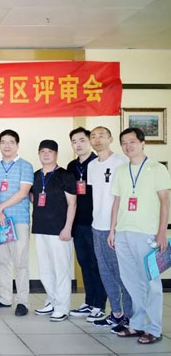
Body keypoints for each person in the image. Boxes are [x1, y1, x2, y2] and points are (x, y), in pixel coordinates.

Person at [109, 127, 170, 344]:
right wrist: (112, 230)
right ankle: (137, 324)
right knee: (131, 281)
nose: (128, 146)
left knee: (150, 282)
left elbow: (165, 202)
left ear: (143, 143)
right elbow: (116, 202)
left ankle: (154, 328)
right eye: (124, 143)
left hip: (147, 234)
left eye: (132, 141)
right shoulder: (121, 170)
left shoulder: (157, 169)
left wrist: (161, 232)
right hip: (123, 233)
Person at [88, 126, 132, 331]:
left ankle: (130, 316)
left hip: (116, 227)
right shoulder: (92, 165)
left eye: (101, 136)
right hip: (97, 225)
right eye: (93, 136)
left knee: (122, 273)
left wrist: (115, 228)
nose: (97, 140)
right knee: (105, 272)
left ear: (110, 139)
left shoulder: (121, 162)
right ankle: (116, 313)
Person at [0, 129, 34, 316]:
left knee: (20, 261)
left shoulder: (25, 166)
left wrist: (1, 207)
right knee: (0, 261)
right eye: (3, 142)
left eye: (11, 142)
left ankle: (23, 301)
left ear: (17, 145)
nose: (7, 146)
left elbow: (23, 192)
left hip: (19, 220)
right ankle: (5, 298)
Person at [31, 140, 76, 322]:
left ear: (56, 154)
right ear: (38, 154)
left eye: (49, 151)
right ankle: (52, 300)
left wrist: (68, 228)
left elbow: (72, 203)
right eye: (42, 151)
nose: (46, 154)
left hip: (60, 230)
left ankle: (62, 307)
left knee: (61, 269)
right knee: (45, 269)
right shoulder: (35, 176)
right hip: (40, 228)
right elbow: (32, 197)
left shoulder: (66, 175)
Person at [66, 127, 107, 322]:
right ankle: (89, 301)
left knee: (98, 264)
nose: (78, 144)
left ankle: (100, 304)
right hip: (78, 222)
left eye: (82, 140)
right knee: (84, 263)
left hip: (96, 222)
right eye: (74, 141)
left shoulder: (98, 163)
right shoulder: (72, 166)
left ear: (89, 141)